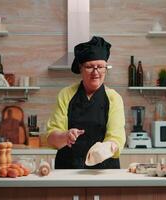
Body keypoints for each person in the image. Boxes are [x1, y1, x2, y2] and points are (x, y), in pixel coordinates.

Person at [46, 36, 126, 169]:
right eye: (89, 67)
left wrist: (107, 147)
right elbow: (51, 136)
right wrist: (65, 136)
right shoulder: (66, 94)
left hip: (104, 171)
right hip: (68, 170)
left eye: (100, 67)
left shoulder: (114, 98)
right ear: (80, 68)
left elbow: (116, 137)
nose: (96, 72)